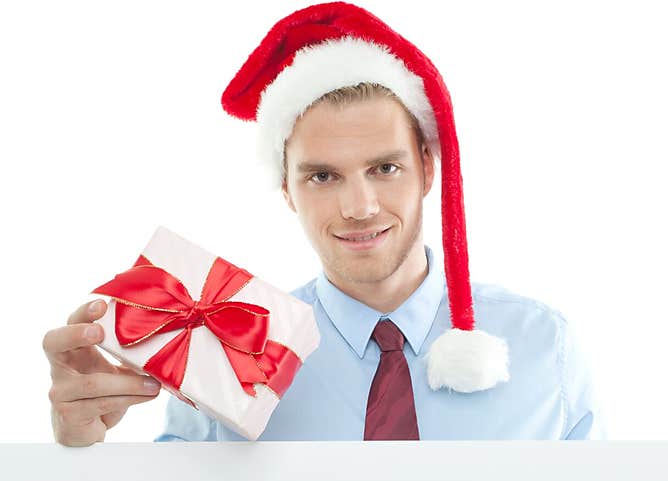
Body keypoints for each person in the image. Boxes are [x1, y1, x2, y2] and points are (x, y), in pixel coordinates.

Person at [43, 2, 606, 445]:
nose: (359, 206)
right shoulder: (226, 353)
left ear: (428, 168)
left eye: (385, 168)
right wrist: (83, 450)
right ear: (287, 189)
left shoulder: (542, 348)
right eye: (322, 177)